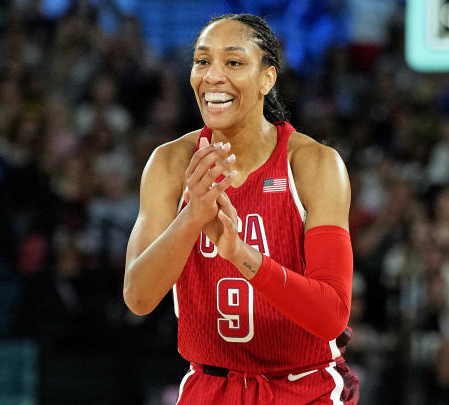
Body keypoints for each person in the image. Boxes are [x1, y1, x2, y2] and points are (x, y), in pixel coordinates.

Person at [123, 13, 359, 405]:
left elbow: (332, 315)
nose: (213, 75)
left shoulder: (314, 164)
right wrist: (193, 215)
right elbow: (138, 297)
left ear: (268, 78)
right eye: (202, 61)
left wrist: (240, 254)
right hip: (210, 386)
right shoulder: (169, 164)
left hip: (304, 387)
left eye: (233, 62)